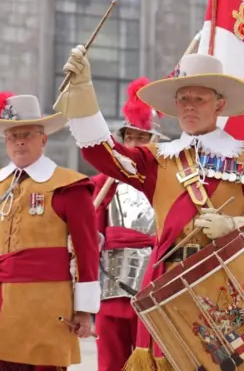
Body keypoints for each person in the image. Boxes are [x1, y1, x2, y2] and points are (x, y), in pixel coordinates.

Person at [55, 45, 244, 370]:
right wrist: (83, 91)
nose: (189, 106)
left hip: (225, 288)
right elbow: (103, 152)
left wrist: (235, 225)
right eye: (183, 99)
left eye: (200, 99)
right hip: (166, 284)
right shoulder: (157, 158)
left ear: (220, 104)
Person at [0, 92, 100, 371]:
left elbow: (87, 250)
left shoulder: (69, 186)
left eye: (27, 134)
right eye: (12, 136)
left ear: (44, 138)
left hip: (46, 305)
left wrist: (85, 310)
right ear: (6, 141)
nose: (20, 141)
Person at [94, 77, 169, 371]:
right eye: (131, 138)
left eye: (143, 137)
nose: (136, 144)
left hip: (153, 285)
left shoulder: (169, 181)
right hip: (110, 286)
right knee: (110, 362)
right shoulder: (102, 183)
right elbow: (92, 236)